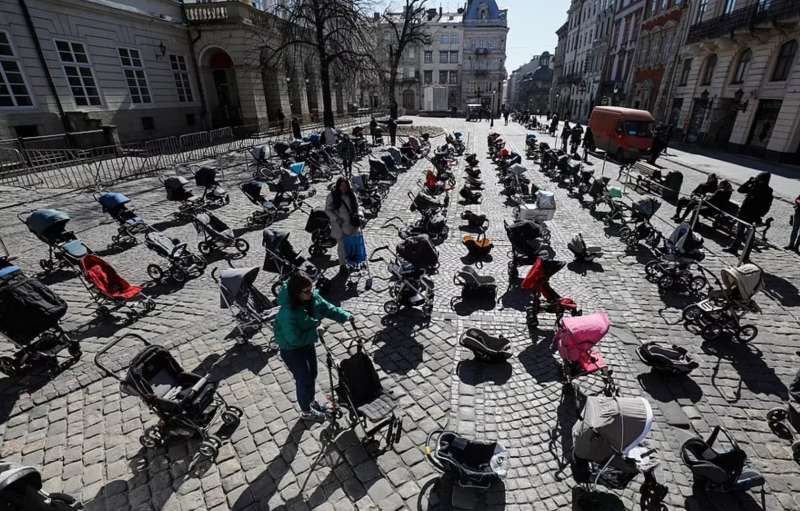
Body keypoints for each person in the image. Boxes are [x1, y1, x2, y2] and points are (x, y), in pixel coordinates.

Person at [274, 272, 352, 422]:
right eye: (307, 291)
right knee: (303, 379)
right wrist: (315, 331)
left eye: (311, 289)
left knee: (312, 374)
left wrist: (345, 315)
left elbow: (327, 308)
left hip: (306, 343)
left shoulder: (312, 297)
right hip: (292, 349)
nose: (312, 293)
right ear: (296, 293)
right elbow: (294, 339)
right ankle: (306, 411)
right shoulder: (287, 313)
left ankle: (310, 401)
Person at [723, 172, 774, 255]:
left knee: (750, 236)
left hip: (753, 216)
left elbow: (767, 205)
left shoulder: (767, 191)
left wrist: (760, 215)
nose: (757, 178)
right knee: (739, 232)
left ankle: (746, 254)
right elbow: (740, 190)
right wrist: (748, 182)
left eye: (759, 177)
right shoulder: (754, 185)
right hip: (744, 212)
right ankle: (734, 248)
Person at [325, 177, 361, 272]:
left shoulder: (352, 195)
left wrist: (360, 215)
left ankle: (353, 263)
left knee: (353, 245)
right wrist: (336, 218)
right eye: (341, 186)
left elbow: (357, 207)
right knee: (342, 247)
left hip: (352, 225)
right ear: (338, 186)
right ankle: (343, 266)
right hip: (340, 226)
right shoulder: (332, 196)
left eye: (345, 186)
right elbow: (328, 209)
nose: (343, 188)